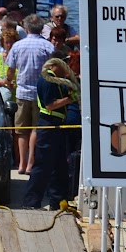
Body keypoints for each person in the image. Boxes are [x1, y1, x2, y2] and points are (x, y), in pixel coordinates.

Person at [25, 57, 79, 210]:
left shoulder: (57, 81)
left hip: (58, 126)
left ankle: (58, 200)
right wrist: (69, 99)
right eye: (64, 65)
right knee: (42, 165)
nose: (66, 69)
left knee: (60, 165)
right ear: (55, 65)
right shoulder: (47, 80)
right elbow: (50, 105)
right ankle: (31, 202)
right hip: (48, 125)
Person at [5, 14, 55, 176]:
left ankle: (22, 163)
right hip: (41, 94)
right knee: (35, 129)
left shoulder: (18, 46)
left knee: (21, 130)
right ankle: (31, 162)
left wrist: (9, 81)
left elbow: (10, 70)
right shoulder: (48, 46)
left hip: (22, 92)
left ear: (26, 28)